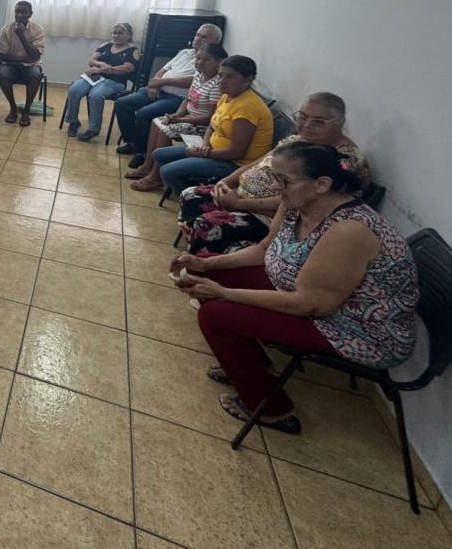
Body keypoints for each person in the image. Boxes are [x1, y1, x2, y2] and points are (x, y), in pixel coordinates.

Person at [172, 142, 418, 433]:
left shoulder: (350, 230)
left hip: (351, 329)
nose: (277, 188)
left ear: (322, 184)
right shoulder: (296, 204)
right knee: (207, 267)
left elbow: (309, 304)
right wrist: (206, 266)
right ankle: (255, 365)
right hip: (303, 292)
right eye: (274, 178)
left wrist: (222, 293)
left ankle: (271, 409)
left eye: (284, 180)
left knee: (216, 316)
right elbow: (263, 250)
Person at [177, 92, 370, 254]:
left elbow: (300, 201)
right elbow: (258, 162)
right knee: (191, 194)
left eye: (318, 121)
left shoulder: (343, 160)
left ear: (339, 122)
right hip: (241, 197)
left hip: (270, 217)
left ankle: (205, 266)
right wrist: (226, 182)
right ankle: (197, 253)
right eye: (302, 117)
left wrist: (239, 204)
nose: (306, 125)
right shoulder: (298, 140)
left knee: (206, 225)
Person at [146, 55, 274, 194]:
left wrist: (204, 154)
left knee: (167, 171)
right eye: (221, 75)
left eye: (230, 77)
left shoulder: (247, 108)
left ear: (248, 79)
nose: (222, 81)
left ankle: (199, 198)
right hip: (212, 150)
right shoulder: (226, 96)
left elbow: (236, 153)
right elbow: (212, 126)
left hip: (234, 164)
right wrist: (205, 145)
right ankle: (192, 187)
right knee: (159, 154)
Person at [115, 23, 224, 166]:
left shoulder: (209, 62)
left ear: (215, 42)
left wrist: (161, 82)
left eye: (204, 37)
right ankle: (133, 142)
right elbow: (163, 70)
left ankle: (142, 151)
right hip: (158, 90)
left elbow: (191, 81)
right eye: (197, 35)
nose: (198, 38)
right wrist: (154, 85)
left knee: (145, 113)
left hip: (175, 98)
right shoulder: (185, 52)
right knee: (122, 103)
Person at [125, 43, 227, 191]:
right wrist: (177, 114)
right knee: (157, 122)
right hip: (188, 118)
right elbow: (188, 99)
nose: (200, 62)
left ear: (219, 62)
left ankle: (155, 177)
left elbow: (210, 117)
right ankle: (147, 166)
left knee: (166, 130)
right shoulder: (199, 75)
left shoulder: (217, 85)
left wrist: (181, 120)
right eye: (198, 58)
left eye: (206, 60)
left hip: (202, 127)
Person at [63, 22, 140, 142]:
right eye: (114, 33)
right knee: (74, 90)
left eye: (120, 33)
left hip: (115, 81)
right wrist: (102, 65)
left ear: (129, 35)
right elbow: (91, 61)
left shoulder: (133, 50)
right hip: (94, 76)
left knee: (95, 95)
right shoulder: (105, 45)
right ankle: (73, 122)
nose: (116, 35)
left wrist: (106, 69)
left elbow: (127, 68)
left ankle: (93, 129)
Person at [0, 0, 46, 127]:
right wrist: (25, 58)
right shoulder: (6, 29)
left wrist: (21, 35)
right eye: (17, 12)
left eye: (23, 12)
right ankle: (13, 108)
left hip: (31, 66)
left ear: (30, 14)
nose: (19, 15)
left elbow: (35, 56)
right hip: (10, 66)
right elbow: (2, 55)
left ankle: (26, 110)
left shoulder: (38, 30)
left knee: (35, 76)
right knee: (2, 75)